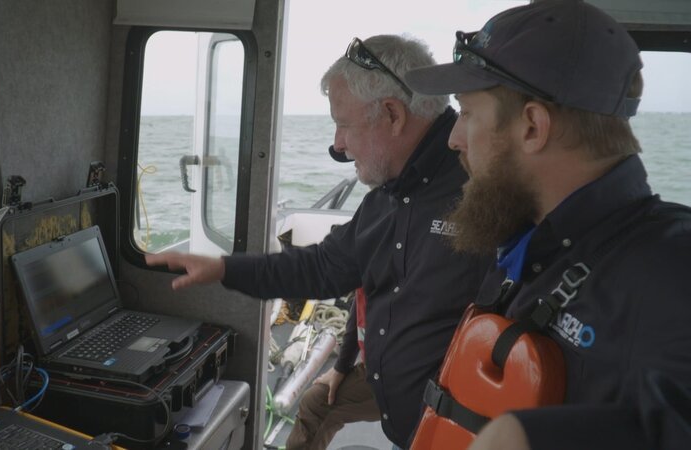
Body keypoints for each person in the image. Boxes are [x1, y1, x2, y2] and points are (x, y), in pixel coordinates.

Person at [146, 34, 491, 449]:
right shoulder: (386, 201)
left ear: (392, 115)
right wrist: (223, 268)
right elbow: (322, 267)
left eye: (343, 124)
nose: (337, 144)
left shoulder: (485, 191)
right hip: (407, 425)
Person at [404, 1, 691, 449]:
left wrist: (535, 438)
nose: (453, 138)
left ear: (533, 127)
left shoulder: (671, 268)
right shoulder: (533, 242)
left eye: (467, 112)